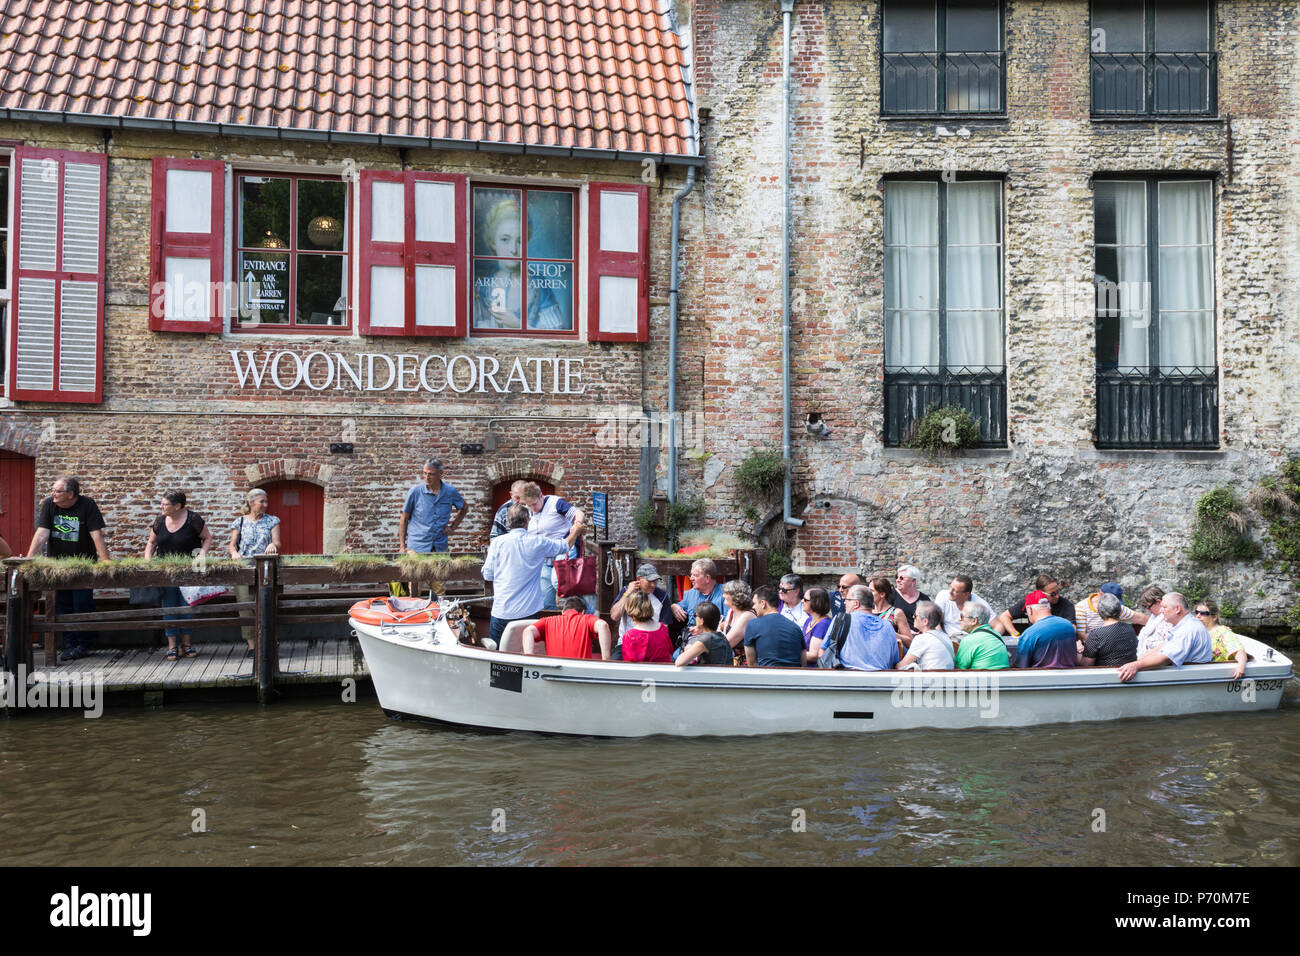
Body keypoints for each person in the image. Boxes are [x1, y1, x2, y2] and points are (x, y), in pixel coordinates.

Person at [27, 476, 110, 661]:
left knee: (82, 604)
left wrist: (106, 562)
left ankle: (84, 643)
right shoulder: (49, 504)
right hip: (58, 566)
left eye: (57, 491)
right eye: (53, 490)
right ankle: (70, 644)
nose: (53, 494)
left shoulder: (87, 505)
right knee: (62, 604)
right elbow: (41, 534)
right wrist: (29, 559)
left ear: (71, 494)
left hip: (82, 566)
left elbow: (96, 535)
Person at [472, 196, 567, 331]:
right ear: (493, 242)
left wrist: (518, 324)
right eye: (505, 239)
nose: (513, 250)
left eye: (520, 241)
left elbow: (557, 332)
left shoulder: (538, 283)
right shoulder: (483, 285)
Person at [481, 503, 570, 646]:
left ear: (507, 522)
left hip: (502, 611)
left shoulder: (497, 543)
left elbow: (487, 575)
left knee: (496, 653)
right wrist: (576, 530)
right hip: (528, 612)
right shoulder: (537, 541)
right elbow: (564, 546)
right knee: (527, 652)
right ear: (528, 521)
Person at [144, 491, 213, 661]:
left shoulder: (193, 519)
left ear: (177, 506)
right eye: (162, 504)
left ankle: (187, 645)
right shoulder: (160, 520)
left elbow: (207, 538)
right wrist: (147, 560)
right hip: (165, 572)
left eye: (165, 504)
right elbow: (151, 542)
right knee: (169, 607)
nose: (162, 507)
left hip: (188, 571)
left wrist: (202, 554)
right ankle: (172, 646)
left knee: (187, 608)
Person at [519, 481, 587, 612]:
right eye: (529, 505)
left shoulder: (555, 503)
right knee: (546, 591)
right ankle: (550, 618)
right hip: (543, 553)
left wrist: (576, 524)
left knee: (559, 582)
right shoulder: (528, 510)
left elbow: (578, 513)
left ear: (541, 496)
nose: (532, 508)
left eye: (534, 504)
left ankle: (585, 613)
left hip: (563, 547)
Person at [1118, 592, 1212, 682]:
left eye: (1164, 607)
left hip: (1193, 680)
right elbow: (1163, 646)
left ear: (1177, 609)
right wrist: (1137, 660)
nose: (1161, 610)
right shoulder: (1183, 625)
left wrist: (1136, 665)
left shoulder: (1188, 628)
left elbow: (1165, 658)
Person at [399, 458, 468, 555]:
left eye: (431, 474)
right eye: (424, 473)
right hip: (416, 548)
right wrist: (402, 546)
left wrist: (453, 527)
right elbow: (404, 519)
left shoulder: (450, 492)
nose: (427, 477)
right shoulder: (415, 492)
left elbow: (464, 508)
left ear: (440, 474)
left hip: (440, 547)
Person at [609, 562, 674, 658]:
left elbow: (664, 626)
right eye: (650, 581)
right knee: (614, 662)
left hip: (654, 643)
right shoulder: (626, 591)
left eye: (655, 581)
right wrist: (628, 593)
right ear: (639, 579)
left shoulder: (662, 596)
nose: (653, 585)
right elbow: (614, 616)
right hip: (626, 642)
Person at [522, 596, 612, 661]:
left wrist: (530, 660)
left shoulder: (547, 621)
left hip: (554, 672)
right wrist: (606, 661)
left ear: (562, 611)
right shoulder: (587, 618)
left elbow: (528, 631)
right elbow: (603, 626)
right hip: (580, 673)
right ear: (583, 612)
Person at [838, 584, 899, 671]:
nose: (844, 602)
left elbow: (823, 651)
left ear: (856, 603)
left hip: (846, 678)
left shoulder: (841, 620)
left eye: (847, 600)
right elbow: (894, 660)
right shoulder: (887, 626)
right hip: (880, 680)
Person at [743, 585, 807, 667]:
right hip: (793, 676)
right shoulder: (795, 627)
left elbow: (751, 663)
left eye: (754, 603)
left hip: (766, 676)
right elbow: (803, 661)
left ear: (763, 603)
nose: (753, 607)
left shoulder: (753, 625)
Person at [1013, 590, 1079, 668]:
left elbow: (1021, 666)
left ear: (1029, 610)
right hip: (1070, 678)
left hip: (1041, 678)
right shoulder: (1069, 626)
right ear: (1049, 607)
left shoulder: (1029, 634)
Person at [993, 572, 1074, 635]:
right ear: (1041, 593)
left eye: (1058, 591)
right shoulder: (1030, 602)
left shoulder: (1066, 605)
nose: (1057, 596)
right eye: (1052, 594)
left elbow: (1072, 628)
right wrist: (1015, 634)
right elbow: (1005, 616)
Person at [1078, 591, 1138, 669]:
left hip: (1106, 675)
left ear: (1100, 612)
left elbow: (1086, 664)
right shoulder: (1129, 629)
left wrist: (1077, 652)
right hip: (1129, 672)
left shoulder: (1096, 635)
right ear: (1119, 611)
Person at [1075, 581, 1148, 640]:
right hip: (1093, 646)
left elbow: (1139, 618)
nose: (1114, 602)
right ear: (1101, 594)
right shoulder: (1081, 608)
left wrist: (1156, 624)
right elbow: (1081, 634)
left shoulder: (1115, 606)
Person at [1197, 599, 1248, 681]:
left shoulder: (1223, 632)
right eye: (1197, 612)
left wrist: (1241, 666)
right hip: (1199, 673)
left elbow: (1238, 650)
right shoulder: (1197, 632)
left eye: (1203, 613)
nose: (1198, 616)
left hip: (1214, 675)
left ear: (1214, 617)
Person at [896, 601, 954, 670]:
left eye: (915, 615)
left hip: (930, 678)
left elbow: (901, 666)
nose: (912, 617)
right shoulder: (945, 636)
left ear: (925, 621)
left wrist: (894, 665)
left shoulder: (921, 639)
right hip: (947, 677)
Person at [671, 558, 725, 631]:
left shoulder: (725, 594)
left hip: (713, 638)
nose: (691, 578)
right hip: (691, 636)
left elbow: (728, 623)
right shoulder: (690, 594)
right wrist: (673, 606)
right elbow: (679, 607)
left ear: (707, 578)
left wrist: (702, 630)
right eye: (691, 575)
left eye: (695, 575)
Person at [620, 589, 673, 663]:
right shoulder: (662, 628)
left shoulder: (630, 636)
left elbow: (629, 665)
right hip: (663, 671)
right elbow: (670, 650)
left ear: (629, 608)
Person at [675, 601, 734, 667]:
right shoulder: (721, 636)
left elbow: (679, 662)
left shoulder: (705, 640)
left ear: (701, 621)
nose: (695, 617)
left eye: (695, 615)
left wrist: (688, 649)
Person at [954, 602, 1010, 670]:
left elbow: (958, 669)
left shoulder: (969, 640)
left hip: (983, 679)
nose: (959, 619)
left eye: (962, 616)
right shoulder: (997, 636)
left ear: (974, 621)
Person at [866, 574, 912, 643]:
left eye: (871, 591)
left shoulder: (896, 613)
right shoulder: (866, 612)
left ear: (882, 594)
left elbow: (909, 641)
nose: (867, 594)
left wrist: (892, 634)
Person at [719, 578, 757, 659]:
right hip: (730, 659)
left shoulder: (747, 616)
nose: (723, 595)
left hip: (743, 665)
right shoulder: (731, 611)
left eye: (726, 593)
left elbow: (728, 643)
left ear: (736, 596)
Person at [1134, 585, 1171, 656]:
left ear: (1159, 602)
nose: (1147, 610)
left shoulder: (1169, 619)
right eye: (1144, 607)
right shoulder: (1153, 618)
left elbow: (1167, 645)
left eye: (1148, 606)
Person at [801, 587, 832, 664]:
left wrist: (789, 654)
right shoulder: (809, 619)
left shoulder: (823, 624)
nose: (802, 601)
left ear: (816, 602)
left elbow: (813, 655)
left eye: (805, 600)